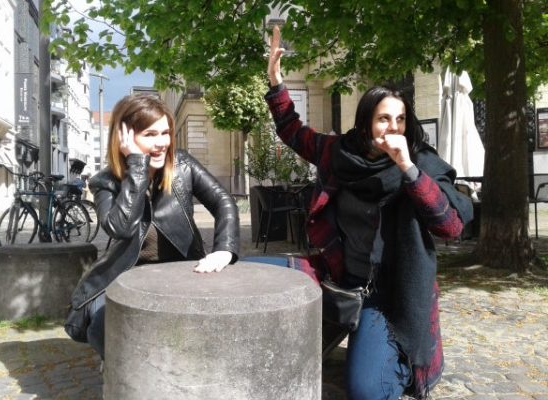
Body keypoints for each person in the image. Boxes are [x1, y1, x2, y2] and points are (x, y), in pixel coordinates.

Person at [265, 26, 473, 399]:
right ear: (365, 123)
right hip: (337, 272)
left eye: (400, 119)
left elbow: (452, 226)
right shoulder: (340, 152)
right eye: (383, 119)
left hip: (387, 292)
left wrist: (409, 170)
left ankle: (399, 360)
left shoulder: (421, 162)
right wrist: (277, 85)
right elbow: (294, 132)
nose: (393, 127)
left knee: (367, 390)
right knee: (253, 272)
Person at [66, 95, 240, 360]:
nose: (161, 143)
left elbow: (223, 201)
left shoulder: (182, 165)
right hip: (126, 274)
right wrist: (137, 168)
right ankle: (121, 369)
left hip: (182, 269)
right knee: (103, 323)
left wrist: (224, 249)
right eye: (150, 134)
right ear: (123, 138)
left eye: (165, 133)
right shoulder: (105, 182)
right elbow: (120, 228)